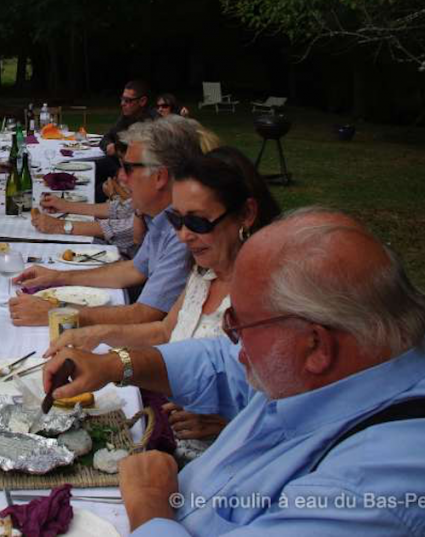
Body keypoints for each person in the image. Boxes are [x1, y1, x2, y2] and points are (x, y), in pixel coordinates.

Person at [42, 208, 425, 536]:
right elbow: (221, 364)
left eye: (239, 324)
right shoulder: (367, 339)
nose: (230, 338)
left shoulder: (388, 479)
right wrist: (114, 364)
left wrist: (152, 508)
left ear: (316, 345)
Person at [47, 147, 281, 464]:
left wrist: (230, 424)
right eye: (176, 219)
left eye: (198, 222)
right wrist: (95, 335)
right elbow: (164, 331)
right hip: (165, 430)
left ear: (246, 214)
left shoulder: (272, 296)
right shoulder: (206, 271)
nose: (183, 236)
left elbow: (295, 413)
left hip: (223, 462)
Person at [9, 116, 200, 327]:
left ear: (160, 177)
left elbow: (145, 314)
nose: (121, 177)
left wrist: (56, 313)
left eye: (128, 168)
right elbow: (134, 270)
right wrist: (57, 276)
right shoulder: (161, 216)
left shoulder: (185, 230)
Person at [33, 192, 145, 259]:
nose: (122, 176)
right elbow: (121, 209)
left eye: (129, 169)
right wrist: (66, 205)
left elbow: (127, 230)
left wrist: (60, 226)